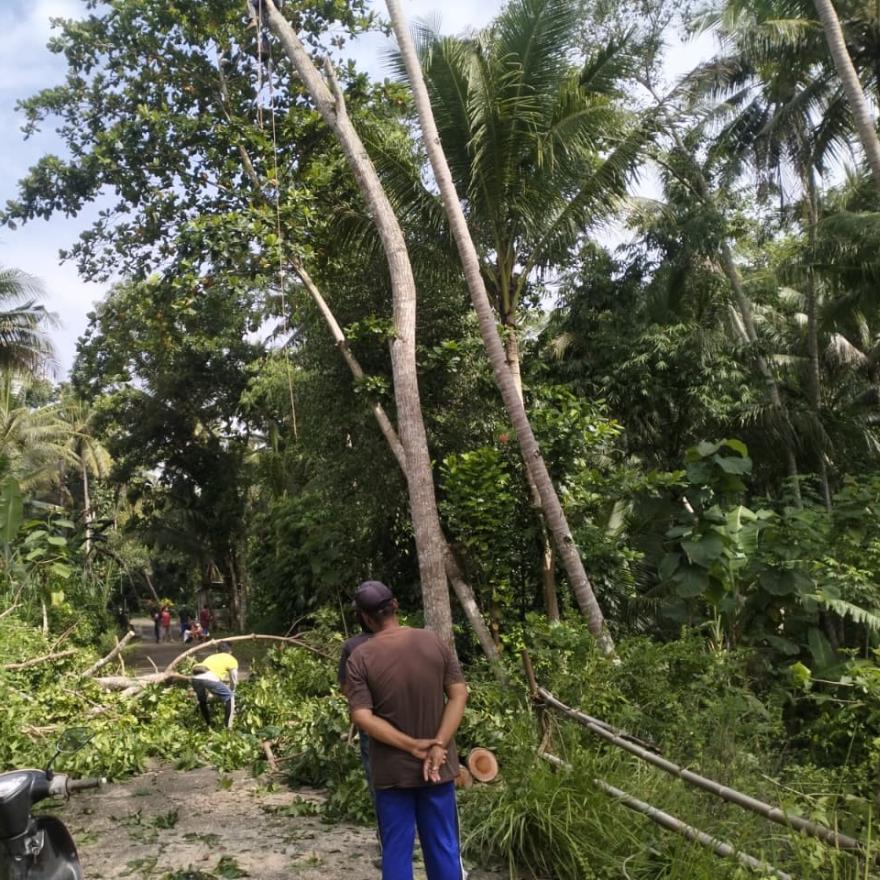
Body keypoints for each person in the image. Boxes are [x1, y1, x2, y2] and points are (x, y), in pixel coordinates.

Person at [345, 581, 469, 880]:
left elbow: (362, 716)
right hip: (438, 768)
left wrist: (411, 745)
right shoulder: (434, 642)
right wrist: (438, 744)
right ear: (395, 605)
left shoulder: (360, 656)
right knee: (443, 847)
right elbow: (459, 693)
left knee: (397, 851)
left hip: (391, 774)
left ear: (364, 617)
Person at [191, 641, 238, 729]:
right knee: (230, 696)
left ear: (217, 651)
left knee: (203, 700)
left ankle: (208, 724)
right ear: (230, 651)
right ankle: (228, 728)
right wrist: (232, 690)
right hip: (208, 677)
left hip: (195, 677)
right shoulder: (231, 659)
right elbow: (234, 680)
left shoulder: (211, 657)